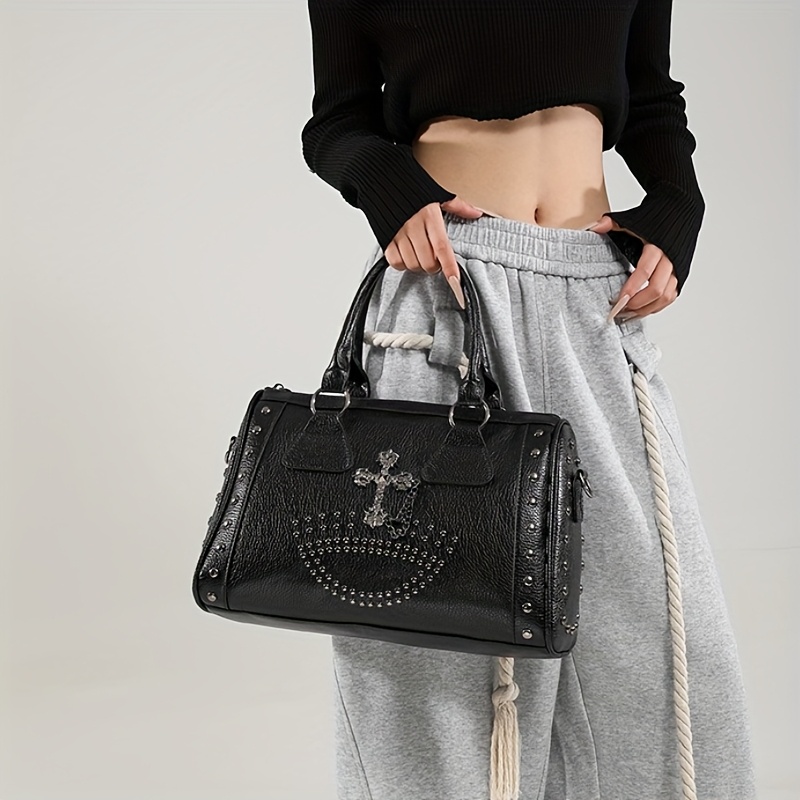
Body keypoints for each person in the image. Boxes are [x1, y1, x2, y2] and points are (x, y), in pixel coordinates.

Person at [300, 2, 758, 799]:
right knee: (433, 671)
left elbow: (650, 94)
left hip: (596, 293)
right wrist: (386, 183)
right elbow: (337, 119)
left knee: (672, 664)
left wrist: (680, 203)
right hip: (444, 289)